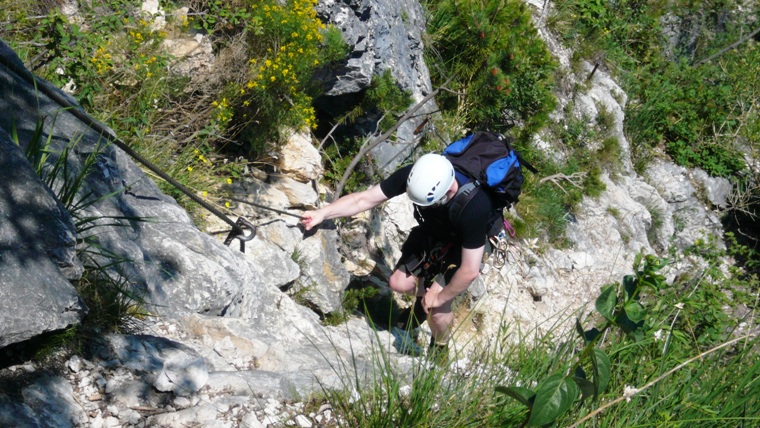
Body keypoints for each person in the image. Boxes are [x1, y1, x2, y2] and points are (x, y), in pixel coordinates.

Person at [301, 153, 495, 357]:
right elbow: (363, 200)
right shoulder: (417, 176)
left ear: (447, 191)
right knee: (399, 284)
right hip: (435, 232)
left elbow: (469, 270)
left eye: (431, 204)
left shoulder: (474, 206)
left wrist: (438, 299)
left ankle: (439, 349)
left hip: (468, 245)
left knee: (437, 311)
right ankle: (422, 302)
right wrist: (323, 213)